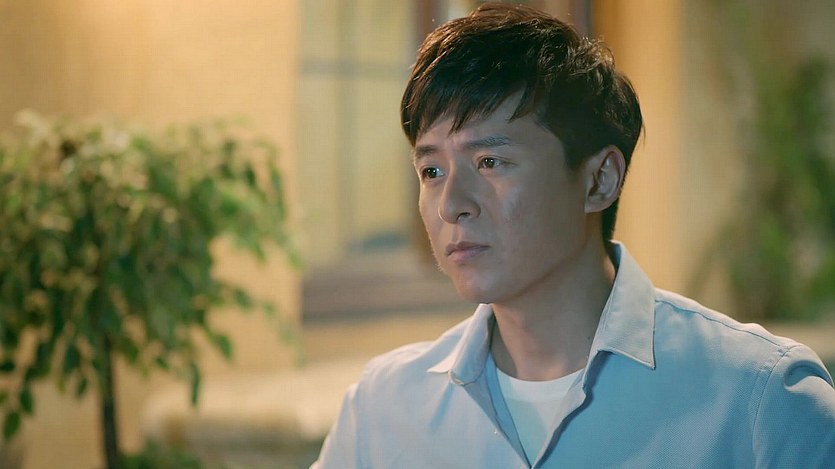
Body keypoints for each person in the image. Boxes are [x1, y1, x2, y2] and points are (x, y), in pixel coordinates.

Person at [312, 3, 835, 468]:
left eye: (489, 161)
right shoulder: (383, 410)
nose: (452, 205)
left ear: (598, 180)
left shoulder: (760, 400)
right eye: (432, 171)